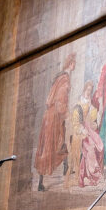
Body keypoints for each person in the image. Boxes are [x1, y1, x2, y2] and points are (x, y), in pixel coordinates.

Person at [35, 53, 76, 191]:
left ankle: (65, 167)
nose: (74, 66)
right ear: (71, 64)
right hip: (54, 117)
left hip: (52, 116)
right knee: (50, 146)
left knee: (59, 142)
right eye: (73, 63)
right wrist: (67, 114)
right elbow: (60, 99)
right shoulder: (65, 79)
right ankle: (41, 182)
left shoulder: (60, 77)